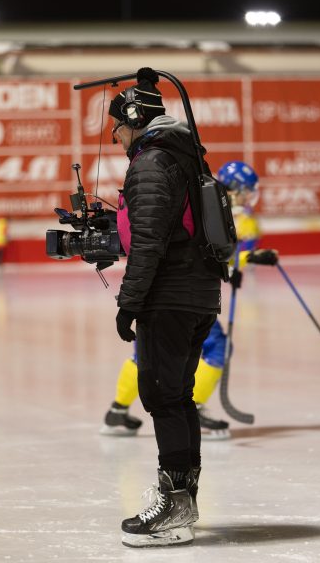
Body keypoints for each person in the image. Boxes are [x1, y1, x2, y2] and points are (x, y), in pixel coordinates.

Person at [110, 67, 223, 547]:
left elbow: (149, 243)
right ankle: (183, 502)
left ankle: (174, 508)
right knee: (177, 397)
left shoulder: (152, 162)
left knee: (162, 396)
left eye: (117, 127)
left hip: (170, 297)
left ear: (135, 120)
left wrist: (128, 303)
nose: (116, 137)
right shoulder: (186, 155)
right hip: (198, 294)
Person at [101, 160, 278, 440]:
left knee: (146, 353)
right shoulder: (214, 207)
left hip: (157, 285)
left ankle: (117, 411)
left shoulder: (198, 197)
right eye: (246, 192)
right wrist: (248, 258)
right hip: (181, 290)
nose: (248, 198)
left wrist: (234, 268)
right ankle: (193, 410)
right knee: (216, 347)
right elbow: (211, 252)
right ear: (235, 190)